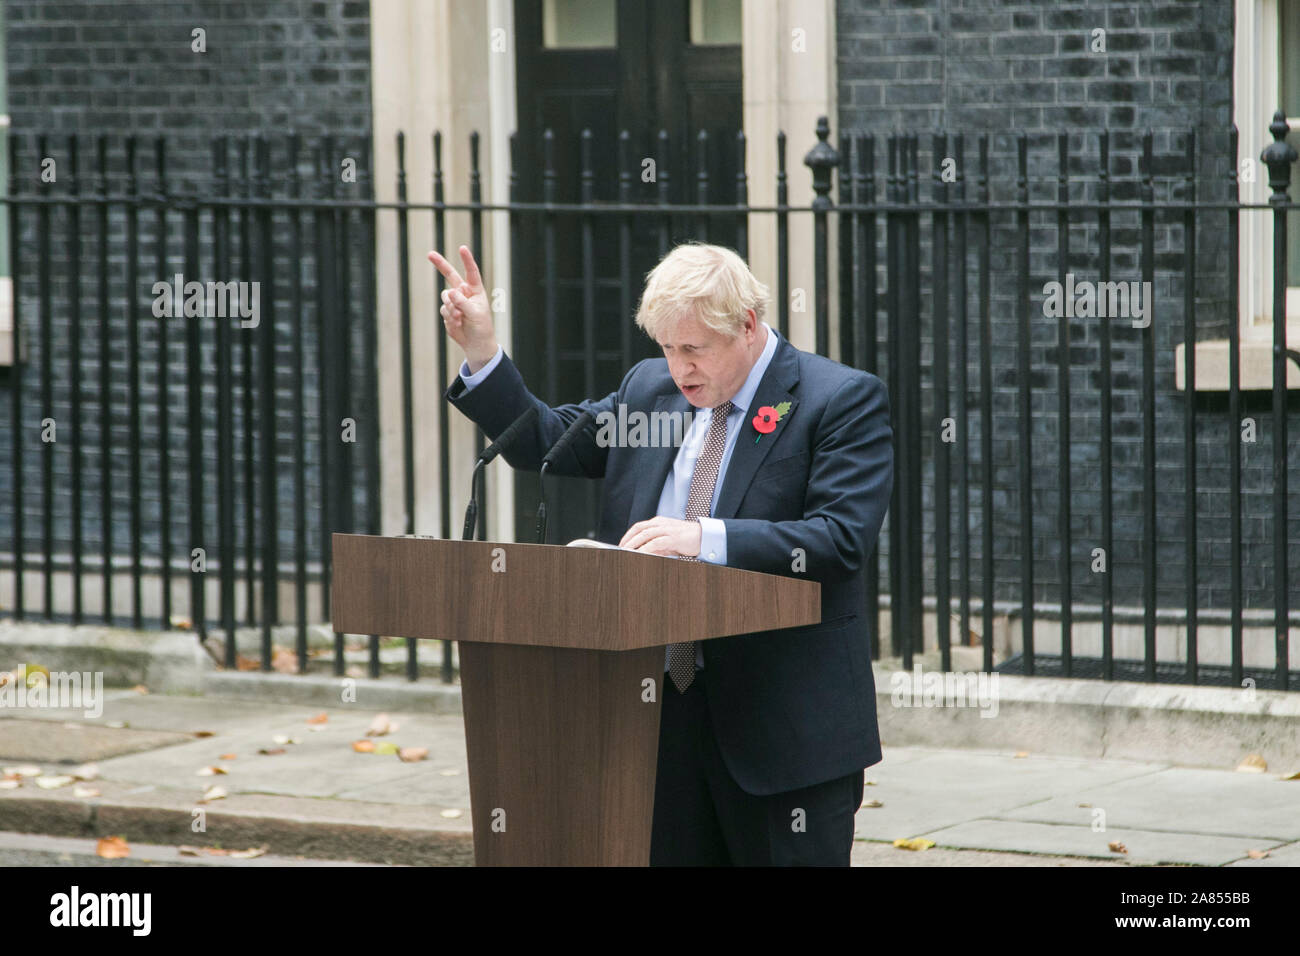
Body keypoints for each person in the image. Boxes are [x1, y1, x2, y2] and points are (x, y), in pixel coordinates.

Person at [430, 240, 893, 866]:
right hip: (652, 721)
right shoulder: (650, 393)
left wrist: (702, 537)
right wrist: (482, 351)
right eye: (667, 349)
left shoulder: (835, 399)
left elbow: (840, 538)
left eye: (694, 349)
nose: (679, 368)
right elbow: (542, 441)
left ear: (748, 327)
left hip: (781, 729)